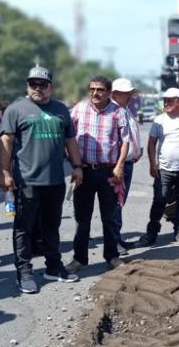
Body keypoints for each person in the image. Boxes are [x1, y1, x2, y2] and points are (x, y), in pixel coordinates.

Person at [0, 65, 83, 293]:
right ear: (27, 86)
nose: (37, 88)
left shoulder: (61, 110)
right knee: (24, 228)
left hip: (55, 180)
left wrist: (77, 166)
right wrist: (4, 172)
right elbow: (5, 142)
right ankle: (24, 272)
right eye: (33, 84)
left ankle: (53, 267)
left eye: (42, 84)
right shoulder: (16, 109)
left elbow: (71, 141)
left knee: (52, 227)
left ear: (50, 87)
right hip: (26, 181)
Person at [66, 76, 129, 273]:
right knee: (82, 218)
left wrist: (119, 167)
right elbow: (68, 138)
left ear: (109, 93)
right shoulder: (78, 109)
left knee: (109, 218)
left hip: (108, 173)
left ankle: (111, 256)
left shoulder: (118, 112)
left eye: (100, 90)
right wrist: (74, 165)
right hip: (84, 172)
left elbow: (125, 141)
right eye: (92, 89)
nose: (95, 93)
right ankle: (79, 259)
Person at [135, 87, 179, 248]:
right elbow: (151, 143)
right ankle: (151, 233)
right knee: (159, 200)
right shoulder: (159, 120)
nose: (166, 103)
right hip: (164, 169)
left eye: (170, 100)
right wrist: (152, 163)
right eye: (165, 100)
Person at [109, 78, 142, 255]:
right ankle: (114, 243)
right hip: (118, 165)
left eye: (130, 93)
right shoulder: (114, 111)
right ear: (115, 94)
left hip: (127, 163)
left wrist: (137, 152)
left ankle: (117, 239)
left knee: (119, 203)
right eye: (125, 93)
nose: (129, 96)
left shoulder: (125, 109)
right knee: (115, 204)